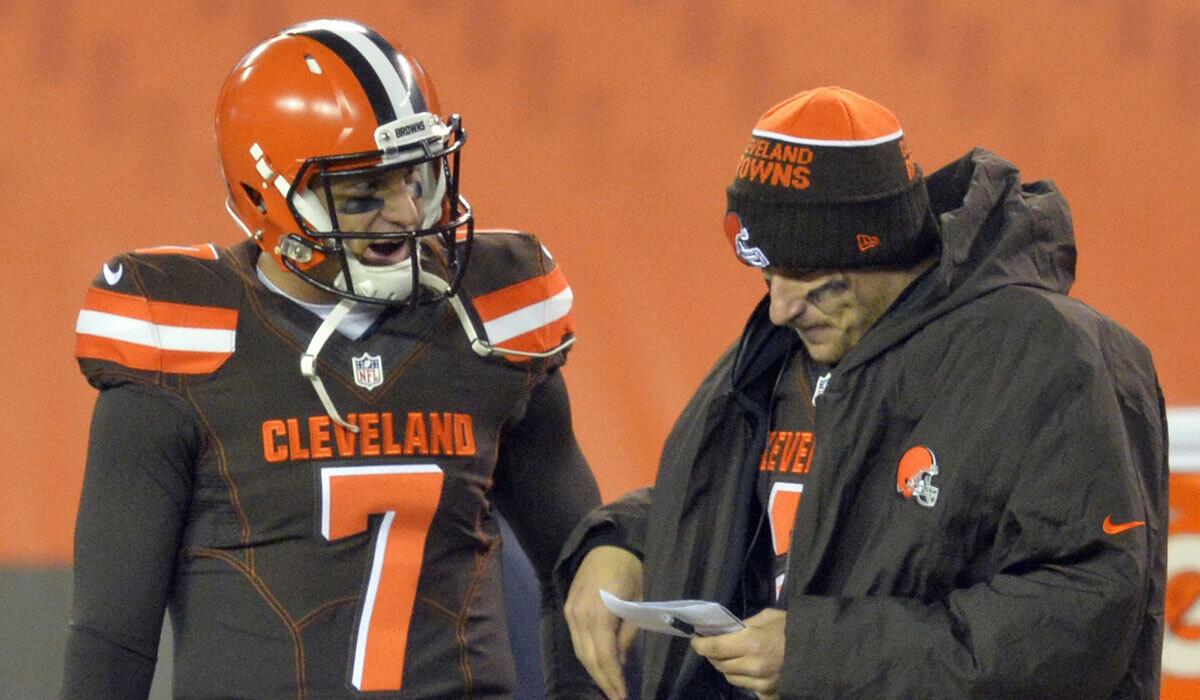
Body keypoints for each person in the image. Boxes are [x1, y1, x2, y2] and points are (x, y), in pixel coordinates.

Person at [559, 86, 1169, 698]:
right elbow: (773, 504)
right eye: (768, 276)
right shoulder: (795, 344)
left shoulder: (1050, 356)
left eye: (814, 283)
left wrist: (819, 657)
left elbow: (1080, 615)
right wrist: (630, 542)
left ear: (884, 250)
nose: (779, 309)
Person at [63, 19, 603, 698]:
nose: (406, 214)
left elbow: (583, 571)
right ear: (267, 196)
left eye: (417, 178)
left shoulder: (489, 318)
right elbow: (112, 635)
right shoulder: (179, 337)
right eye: (363, 194)